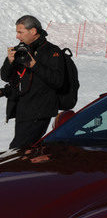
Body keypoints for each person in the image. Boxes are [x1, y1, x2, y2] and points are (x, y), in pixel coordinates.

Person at [1, 15, 65, 149]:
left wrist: (34, 65)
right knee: (25, 151)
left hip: (40, 111)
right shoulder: (21, 50)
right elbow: (5, 76)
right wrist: (10, 61)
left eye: (20, 32)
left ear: (33, 31)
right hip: (22, 110)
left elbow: (57, 81)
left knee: (18, 150)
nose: (17, 36)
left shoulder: (52, 51)